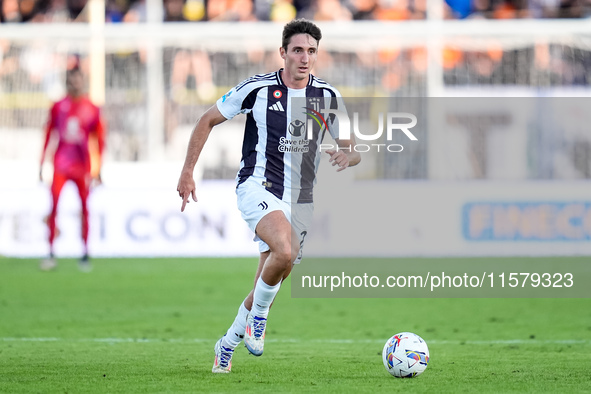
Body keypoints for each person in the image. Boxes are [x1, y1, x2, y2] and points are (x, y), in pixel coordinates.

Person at [176, 19, 360, 374]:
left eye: (311, 52)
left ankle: (226, 344)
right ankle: (258, 320)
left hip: (300, 200)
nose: (305, 58)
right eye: (298, 50)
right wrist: (187, 171)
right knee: (285, 250)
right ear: (283, 53)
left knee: (272, 274)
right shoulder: (257, 89)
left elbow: (353, 149)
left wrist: (346, 156)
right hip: (257, 187)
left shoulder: (328, 97)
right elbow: (206, 120)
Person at [39, 67, 106, 272]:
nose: (75, 84)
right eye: (72, 80)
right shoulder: (58, 106)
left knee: (85, 208)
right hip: (60, 164)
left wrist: (99, 168)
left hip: (82, 167)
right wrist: (41, 164)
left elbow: (99, 140)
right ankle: (50, 251)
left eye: (78, 80)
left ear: (82, 82)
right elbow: (49, 134)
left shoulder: (92, 108)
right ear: (68, 82)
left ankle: (85, 253)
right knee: (54, 206)